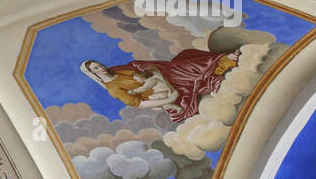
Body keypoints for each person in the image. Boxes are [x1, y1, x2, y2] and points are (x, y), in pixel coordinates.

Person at [81, 48, 239, 124]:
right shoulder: (113, 88)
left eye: (99, 64)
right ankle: (222, 64)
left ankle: (222, 63)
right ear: (94, 74)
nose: (101, 67)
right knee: (179, 74)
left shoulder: (116, 70)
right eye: (96, 68)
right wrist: (170, 99)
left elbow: (138, 68)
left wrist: (154, 73)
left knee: (178, 65)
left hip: (156, 76)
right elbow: (139, 103)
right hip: (157, 92)